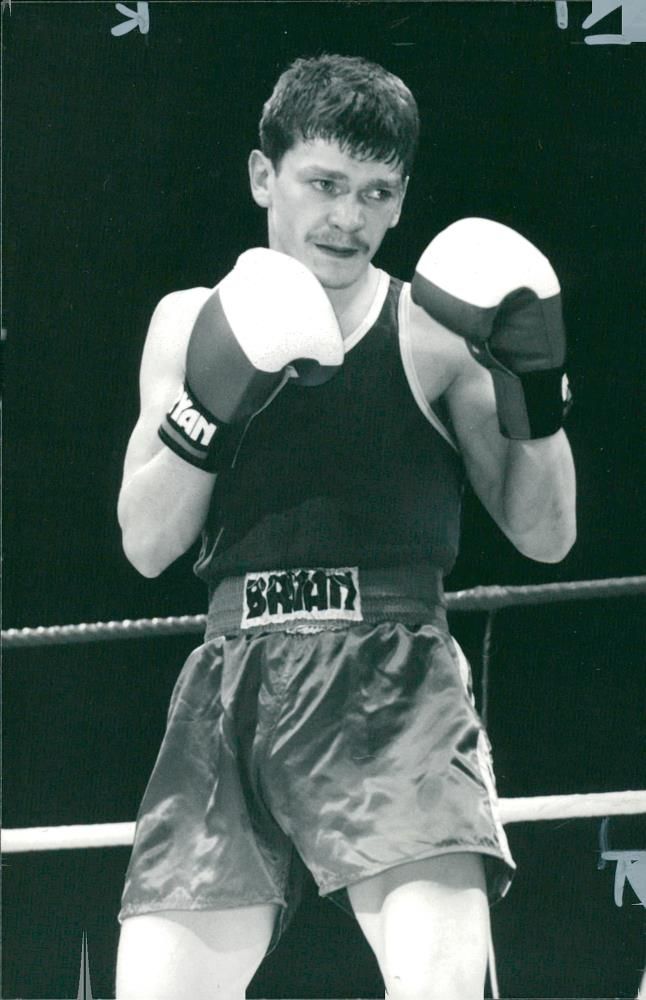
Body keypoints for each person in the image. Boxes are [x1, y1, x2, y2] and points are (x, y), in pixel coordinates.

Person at [115, 54, 576, 1000]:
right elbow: (147, 543)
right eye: (325, 184)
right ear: (262, 178)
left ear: (401, 202)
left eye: (377, 192)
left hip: (393, 680)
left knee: (438, 988)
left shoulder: (431, 332)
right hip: (231, 676)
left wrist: (538, 396)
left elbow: (547, 535)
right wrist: (210, 406)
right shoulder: (188, 322)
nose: (349, 218)